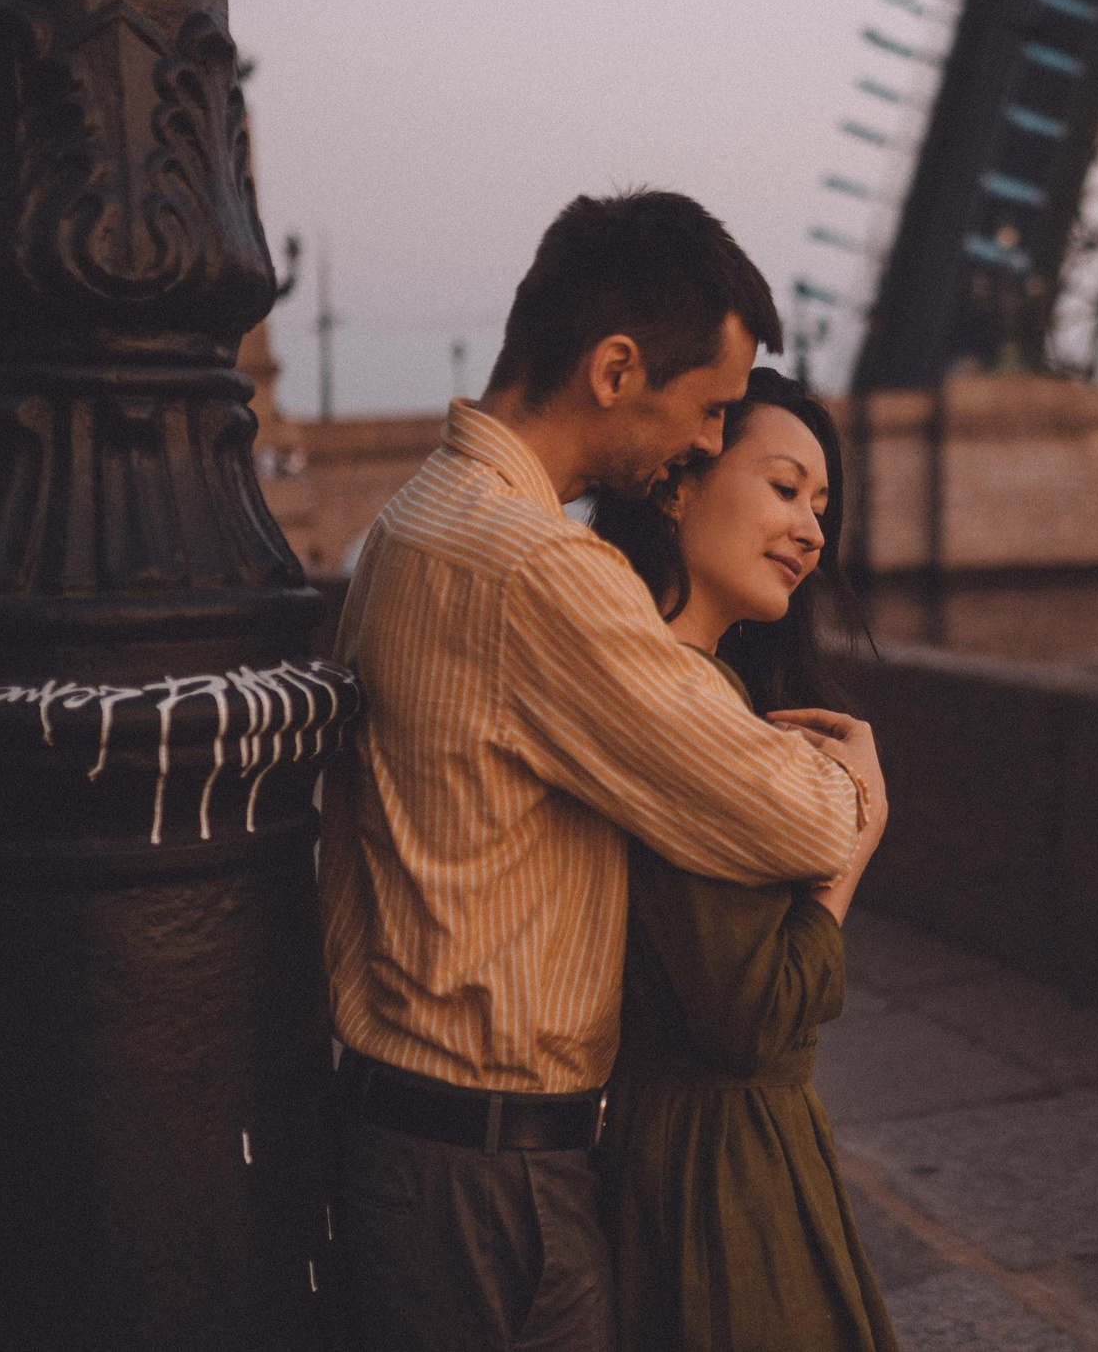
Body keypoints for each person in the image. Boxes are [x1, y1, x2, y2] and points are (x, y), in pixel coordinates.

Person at [319, 191, 883, 1352]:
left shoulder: (412, 521)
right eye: (711, 408)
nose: (709, 442)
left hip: (412, 1139)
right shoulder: (533, 567)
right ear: (617, 368)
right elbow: (801, 816)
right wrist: (856, 789)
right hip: (492, 1176)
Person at [587, 368, 897, 1352]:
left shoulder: (651, 672)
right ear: (676, 486)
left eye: (821, 506)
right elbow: (752, 1015)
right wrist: (855, 842)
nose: (811, 531)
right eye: (784, 486)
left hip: (668, 1149)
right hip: (723, 1179)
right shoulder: (689, 702)